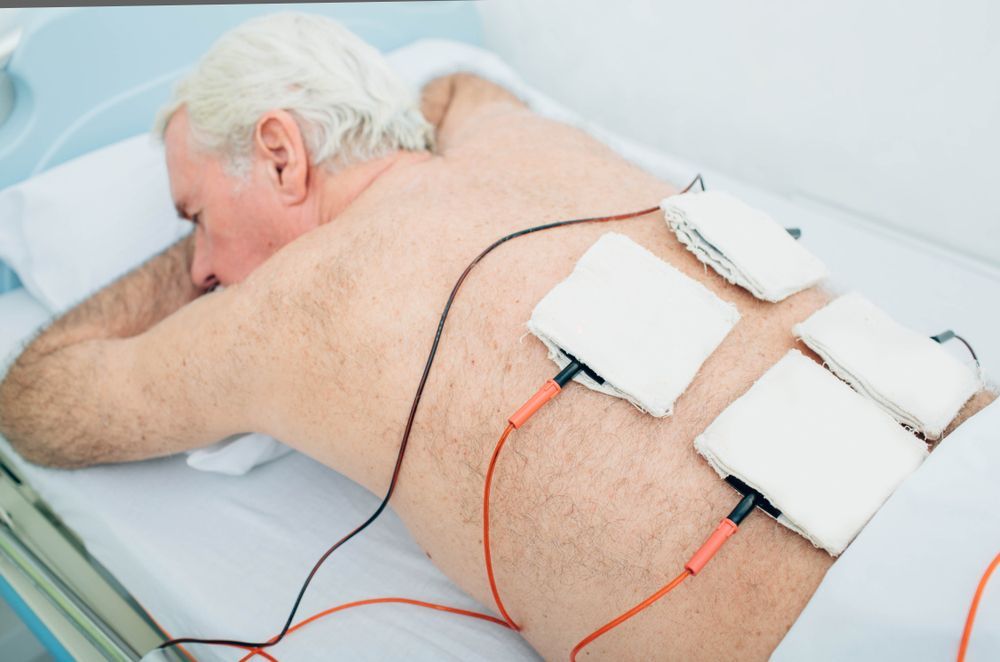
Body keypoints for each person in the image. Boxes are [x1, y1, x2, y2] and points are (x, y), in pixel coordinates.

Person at [0, 12, 992, 660]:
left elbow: (37, 394)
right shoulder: (504, 127)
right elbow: (445, 86)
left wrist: (221, 246)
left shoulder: (285, 306)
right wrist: (239, 213)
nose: (199, 270)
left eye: (192, 218)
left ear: (280, 152)